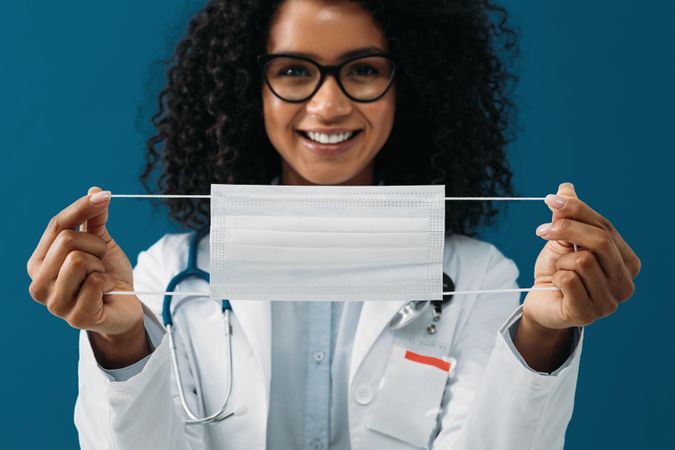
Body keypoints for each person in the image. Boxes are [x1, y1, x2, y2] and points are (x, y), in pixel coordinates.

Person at [26, 0, 641, 449]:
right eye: (294, 70)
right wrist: (121, 339)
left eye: (363, 70)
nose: (328, 104)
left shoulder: (479, 275)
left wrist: (540, 333)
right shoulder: (165, 275)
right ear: (252, 90)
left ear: (410, 88)